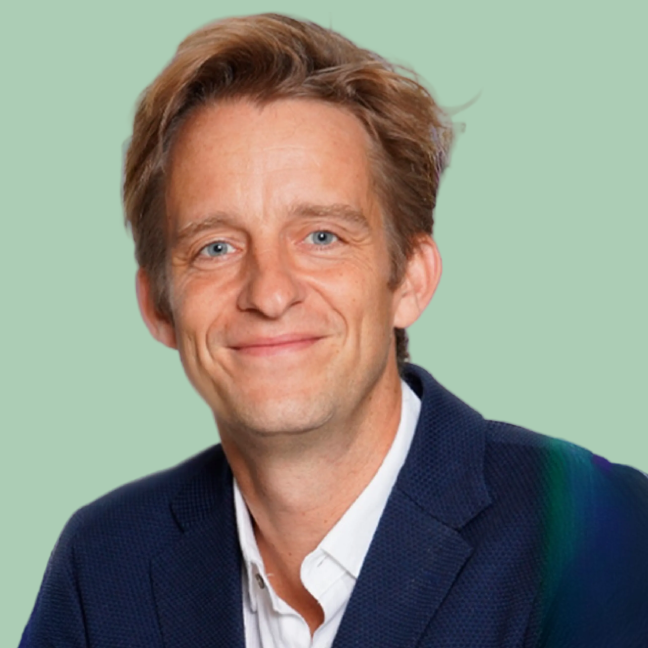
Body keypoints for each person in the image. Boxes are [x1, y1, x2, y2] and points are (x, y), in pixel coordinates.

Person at [20, 13, 648, 648]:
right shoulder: (103, 566)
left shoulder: (591, 529)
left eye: (322, 236)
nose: (269, 293)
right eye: (216, 247)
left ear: (410, 280)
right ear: (159, 307)